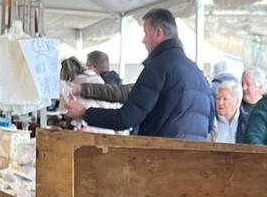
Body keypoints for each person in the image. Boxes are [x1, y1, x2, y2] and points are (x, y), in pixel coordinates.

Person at [62, 8, 212, 140]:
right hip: (194, 157)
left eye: (145, 33)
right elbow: (209, 124)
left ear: (158, 33)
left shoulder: (159, 66)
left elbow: (126, 119)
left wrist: (85, 113)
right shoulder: (196, 71)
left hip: (163, 155)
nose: (143, 41)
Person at [211, 77, 248, 143]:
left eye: (225, 99)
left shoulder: (247, 121)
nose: (220, 103)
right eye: (218, 98)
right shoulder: (211, 121)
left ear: (237, 101)